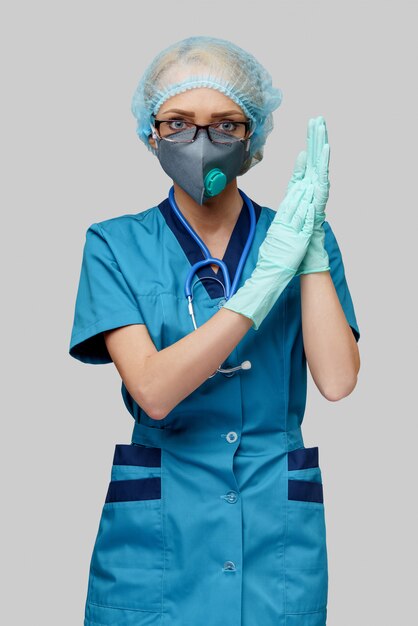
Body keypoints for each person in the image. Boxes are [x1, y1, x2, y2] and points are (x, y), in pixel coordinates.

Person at [69, 35, 360, 626]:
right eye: (178, 123)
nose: (201, 143)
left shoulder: (302, 238)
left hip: (273, 525)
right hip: (160, 524)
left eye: (225, 125)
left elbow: (336, 381)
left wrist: (308, 257)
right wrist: (259, 290)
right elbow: (152, 390)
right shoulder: (114, 244)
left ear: (253, 137)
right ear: (151, 132)